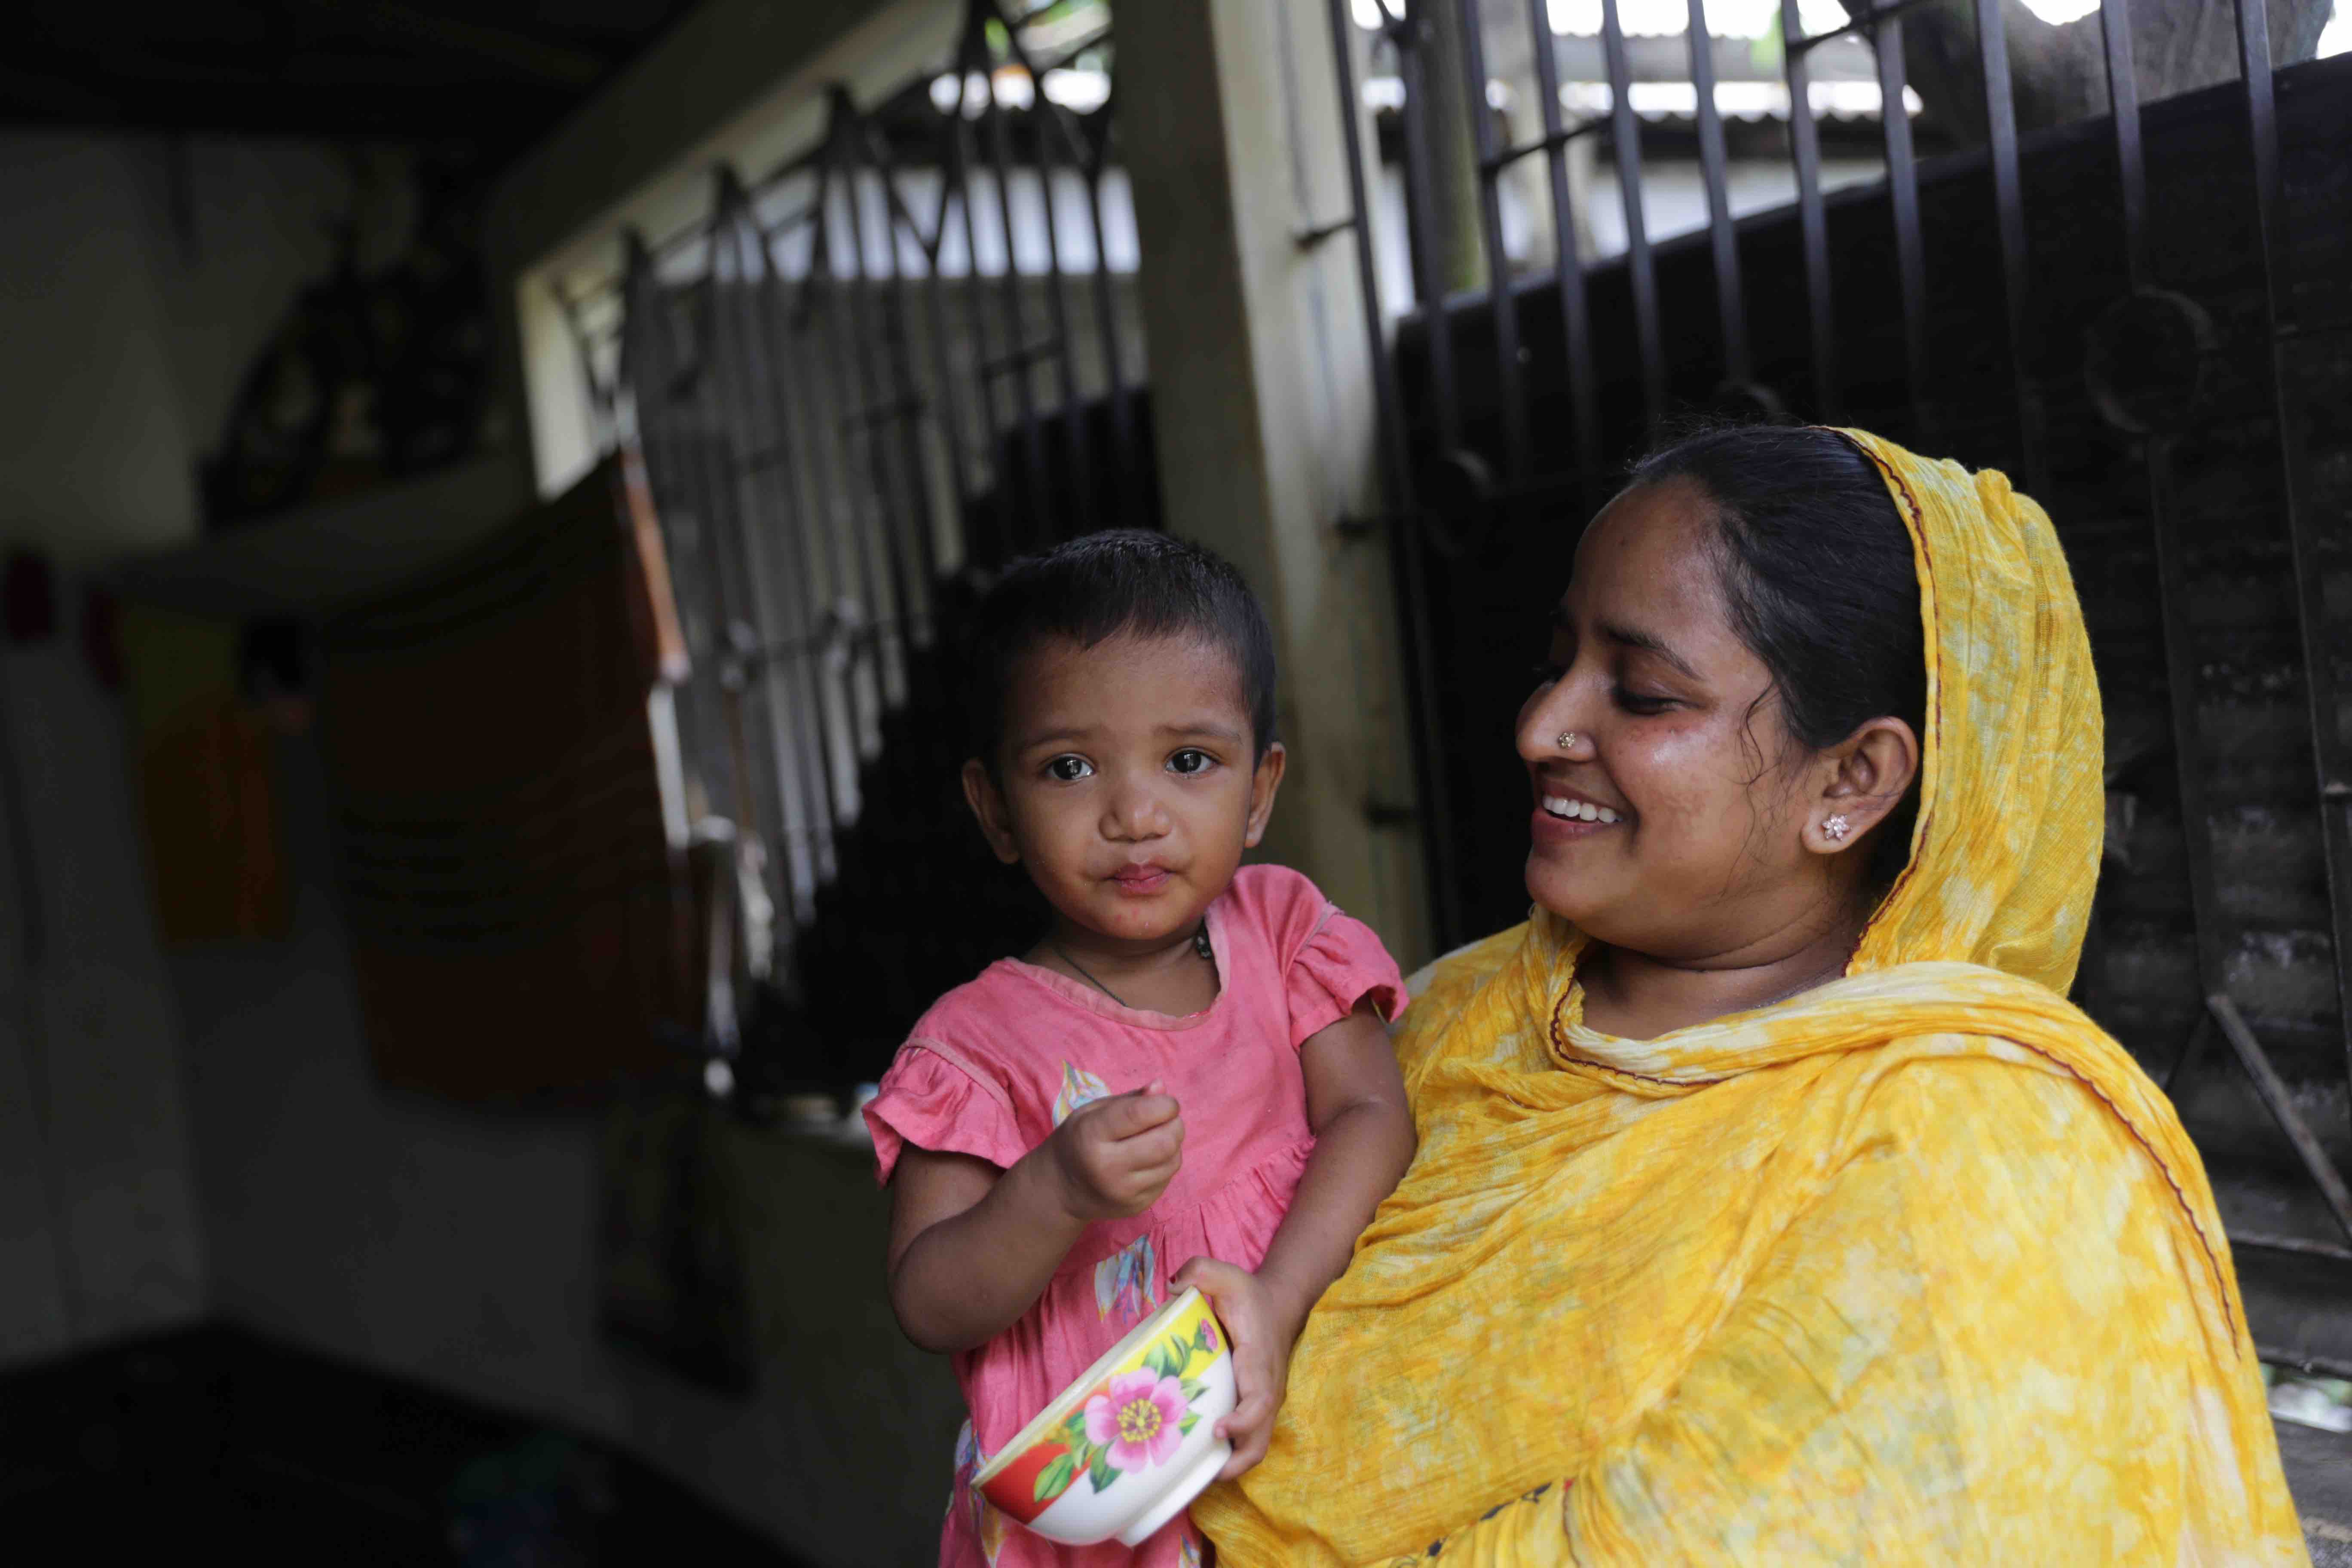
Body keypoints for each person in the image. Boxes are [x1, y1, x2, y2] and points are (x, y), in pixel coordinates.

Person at [1197, 426, 2309, 1565]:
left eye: (1641, 693)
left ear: (1851, 781)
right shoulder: (1448, 1019)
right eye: (1556, 664)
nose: (1539, 729)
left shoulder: (1974, 1154)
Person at [866, 530, 1419, 1568]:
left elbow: (1371, 1115)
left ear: (1259, 792)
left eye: (1189, 761)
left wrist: (1275, 1297)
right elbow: (929, 1299)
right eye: (1070, 767)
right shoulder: (974, 1047)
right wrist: (1053, 1191)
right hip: (1106, 1519)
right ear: (995, 808)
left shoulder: (1283, 936)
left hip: (1313, 1435)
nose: (1133, 814)